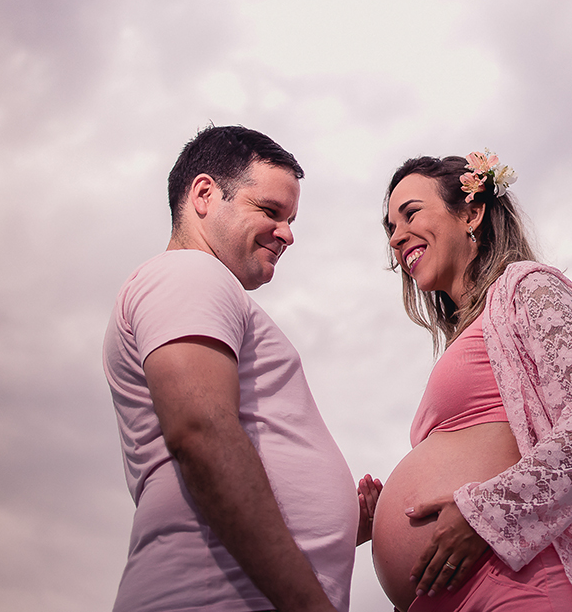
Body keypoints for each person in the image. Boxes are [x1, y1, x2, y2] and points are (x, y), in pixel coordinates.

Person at [102, 125, 377, 612]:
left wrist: (336, 527)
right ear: (205, 195)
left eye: (290, 219)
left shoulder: (202, 285)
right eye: (270, 211)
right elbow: (201, 432)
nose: (287, 234)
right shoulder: (188, 271)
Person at [370, 150, 572, 612]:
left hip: (524, 585)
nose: (397, 237)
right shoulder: (471, 334)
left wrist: (487, 513)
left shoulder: (527, 287)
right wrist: (389, 516)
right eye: (390, 228)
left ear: (471, 213)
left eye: (411, 214)